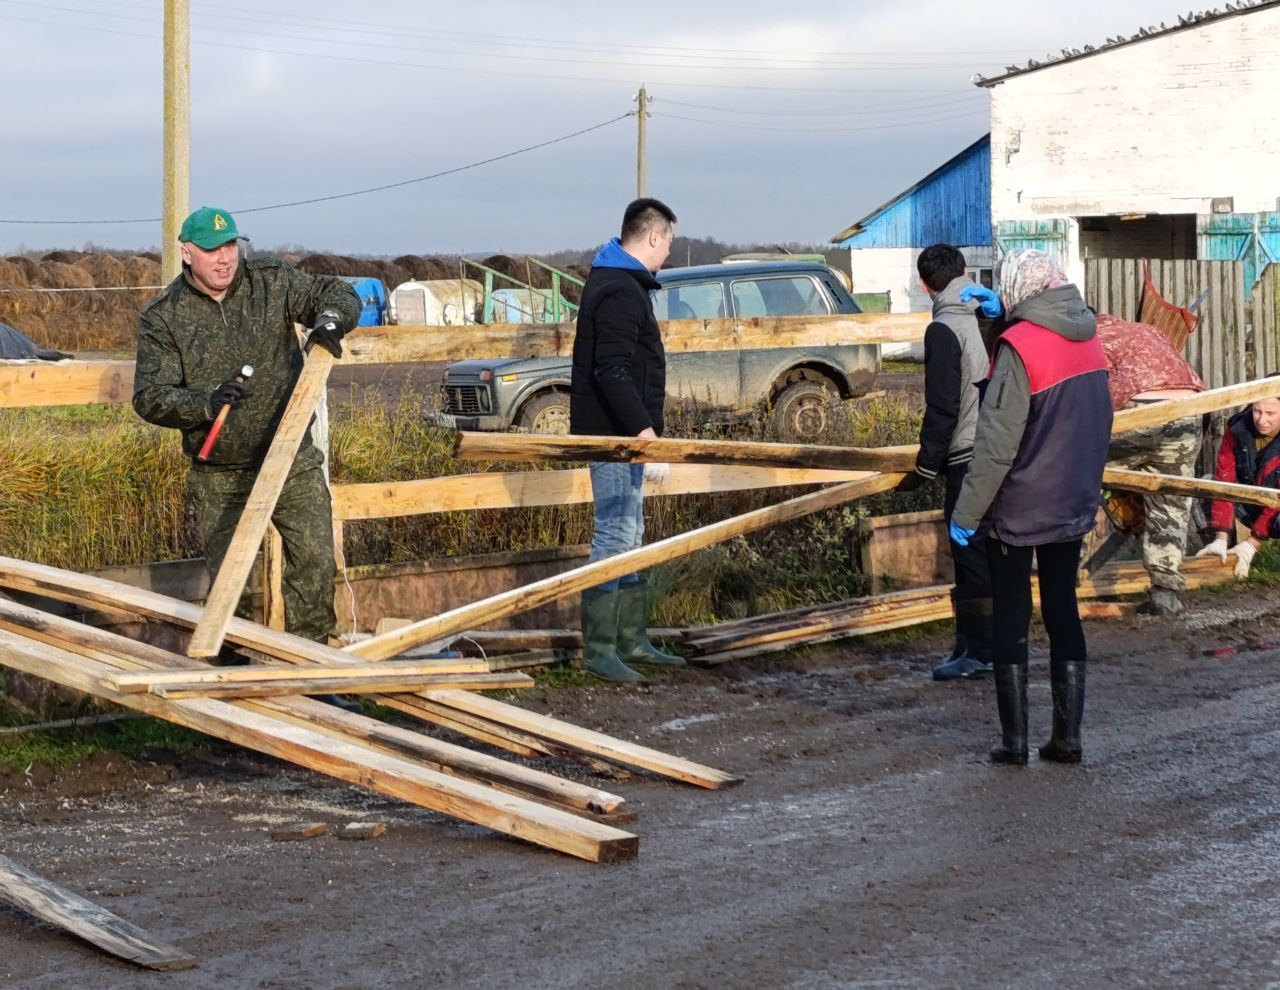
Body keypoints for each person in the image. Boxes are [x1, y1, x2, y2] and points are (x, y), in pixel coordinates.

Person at [133, 207, 360, 700]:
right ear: (186, 253)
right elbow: (149, 396)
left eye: (232, 246)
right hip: (220, 471)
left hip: (289, 453)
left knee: (314, 561)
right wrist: (204, 402)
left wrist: (330, 321)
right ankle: (232, 685)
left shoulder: (271, 282)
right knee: (229, 581)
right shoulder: (164, 317)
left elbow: (336, 292)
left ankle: (311, 675)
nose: (225, 258)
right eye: (213, 250)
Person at [951, 249, 1113, 766]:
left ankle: (1014, 741)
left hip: (1018, 504)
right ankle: (1067, 739)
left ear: (1018, 288)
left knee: (1013, 617)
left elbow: (996, 443)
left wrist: (966, 513)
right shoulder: (1089, 338)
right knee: (1064, 611)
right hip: (1072, 497)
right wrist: (1000, 319)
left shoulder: (1019, 347)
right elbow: (1092, 418)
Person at [569, 198, 686, 682]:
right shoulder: (619, 289)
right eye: (669, 242)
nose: (668, 253)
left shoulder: (620, 282)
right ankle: (600, 649)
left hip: (624, 434)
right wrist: (643, 431)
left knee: (631, 533)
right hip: (613, 435)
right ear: (653, 236)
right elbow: (612, 370)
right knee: (615, 531)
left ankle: (632, 639)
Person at [897, 244, 994, 681]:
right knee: (992, 550)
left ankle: (979, 650)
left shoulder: (943, 328)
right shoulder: (984, 316)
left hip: (966, 453)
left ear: (924, 285)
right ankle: (989, 643)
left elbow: (942, 405)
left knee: (969, 551)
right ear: (966, 272)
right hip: (996, 448)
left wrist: (924, 465)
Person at [1098, 315, 1205, 614]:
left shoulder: (1086, 335)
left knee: (1076, 473)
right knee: (1170, 501)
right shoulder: (1144, 330)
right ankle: (1166, 593)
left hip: (1138, 409)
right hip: (1189, 409)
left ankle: (1057, 575)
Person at [1195, 397, 1280, 579]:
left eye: (1270, 413)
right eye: (1257, 411)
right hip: (1251, 501)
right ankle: (1223, 555)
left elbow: (1278, 500)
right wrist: (1221, 537)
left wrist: (1253, 543)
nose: (1261, 420)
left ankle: (1249, 550)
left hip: (1276, 510)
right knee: (1207, 485)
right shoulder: (1238, 429)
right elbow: (1225, 482)